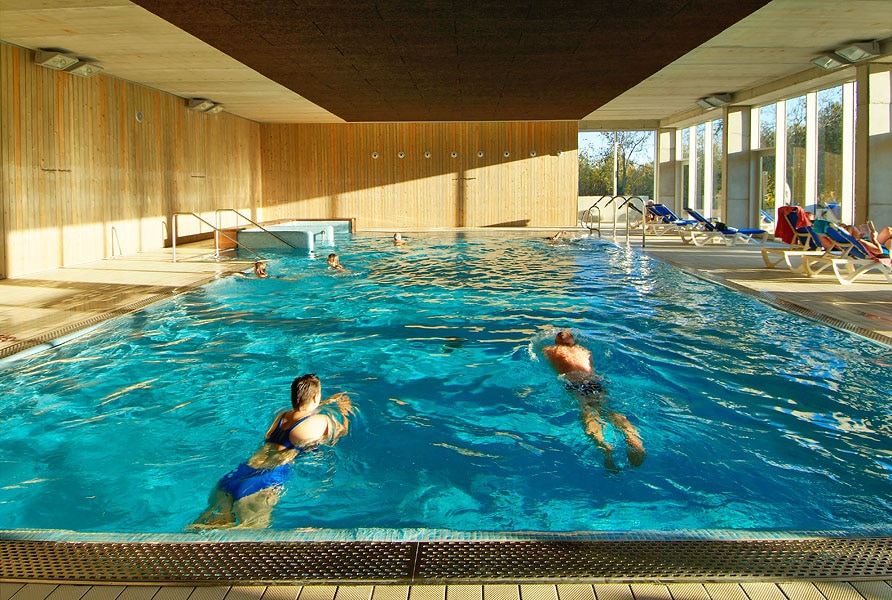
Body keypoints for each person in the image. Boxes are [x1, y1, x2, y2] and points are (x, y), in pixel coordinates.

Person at [189, 374, 353, 530]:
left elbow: (304, 409)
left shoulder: (281, 417)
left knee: (202, 532)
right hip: (263, 481)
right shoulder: (322, 421)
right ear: (315, 397)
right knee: (252, 538)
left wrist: (328, 401)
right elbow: (342, 432)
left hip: (235, 476)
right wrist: (345, 412)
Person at [542, 331, 645, 471]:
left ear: (556, 342)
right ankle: (633, 439)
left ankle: (605, 446)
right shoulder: (584, 351)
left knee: (588, 412)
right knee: (608, 410)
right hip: (595, 383)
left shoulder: (550, 350)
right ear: (573, 342)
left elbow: (539, 349)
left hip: (576, 385)